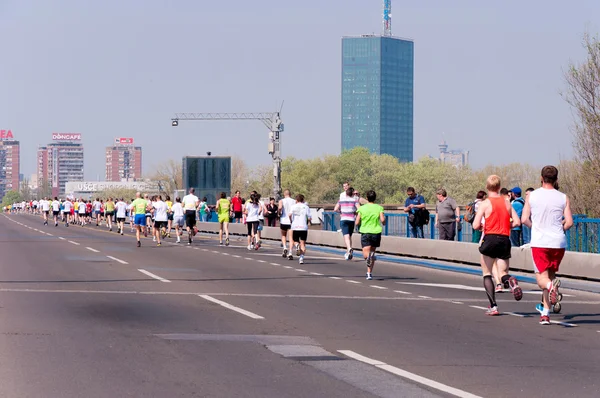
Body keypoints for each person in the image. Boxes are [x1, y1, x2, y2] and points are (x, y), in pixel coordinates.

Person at [521, 166, 573, 325]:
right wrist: (558, 229)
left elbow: (524, 219)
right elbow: (569, 222)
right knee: (550, 275)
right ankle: (545, 313)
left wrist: (535, 227)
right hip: (558, 243)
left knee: (542, 280)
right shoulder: (563, 197)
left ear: (541, 178)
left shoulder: (532, 196)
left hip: (540, 242)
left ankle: (551, 287)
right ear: (556, 179)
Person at [472, 175, 523, 316]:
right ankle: (510, 281)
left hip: (490, 238)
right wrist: (507, 226)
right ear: (499, 187)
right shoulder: (507, 202)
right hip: (504, 239)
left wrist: (483, 226)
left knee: (487, 273)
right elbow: (518, 222)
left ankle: (493, 306)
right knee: (503, 273)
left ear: (487, 187)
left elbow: (475, 224)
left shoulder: (485, 203)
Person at [355, 190, 385, 280]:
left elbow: (356, 222)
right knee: (372, 253)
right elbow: (383, 220)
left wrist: (359, 223)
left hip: (365, 232)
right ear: (375, 198)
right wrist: (384, 222)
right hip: (376, 232)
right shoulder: (379, 208)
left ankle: (368, 260)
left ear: (367, 198)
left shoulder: (362, 208)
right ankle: (369, 273)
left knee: (366, 255)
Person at [334, 187, 360, 260]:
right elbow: (359, 209)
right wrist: (354, 212)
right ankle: (349, 253)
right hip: (351, 219)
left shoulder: (341, 200)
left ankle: (349, 248)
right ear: (352, 194)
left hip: (344, 219)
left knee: (346, 236)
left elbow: (335, 209)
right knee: (349, 236)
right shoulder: (355, 200)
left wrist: (341, 212)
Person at [290, 194, 311, 264]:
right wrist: (307, 222)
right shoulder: (306, 207)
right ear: (303, 200)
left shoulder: (293, 207)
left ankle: (297, 246)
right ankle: (301, 258)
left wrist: (291, 221)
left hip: (295, 226)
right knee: (303, 243)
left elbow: (289, 215)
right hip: (303, 227)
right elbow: (309, 217)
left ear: (296, 200)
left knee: (295, 241)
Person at [278, 190, 296, 259]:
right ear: (290, 194)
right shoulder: (294, 201)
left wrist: (279, 212)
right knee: (291, 238)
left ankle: (285, 247)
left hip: (283, 220)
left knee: (283, 236)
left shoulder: (281, 200)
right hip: (291, 221)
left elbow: (279, 208)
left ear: (284, 194)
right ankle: (290, 252)